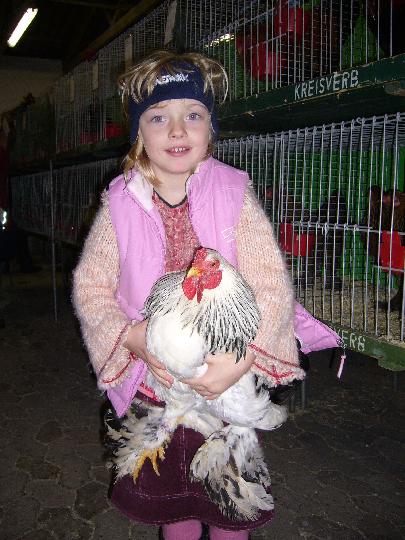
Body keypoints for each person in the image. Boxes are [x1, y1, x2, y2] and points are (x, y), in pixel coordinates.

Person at [72, 50, 305, 540]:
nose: (177, 131)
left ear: (210, 128)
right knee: (173, 506)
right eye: (159, 117)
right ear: (139, 131)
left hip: (225, 382)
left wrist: (244, 359)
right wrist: (130, 337)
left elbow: (271, 284)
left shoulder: (234, 193)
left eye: (192, 115)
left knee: (229, 501)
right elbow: (91, 286)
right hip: (155, 383)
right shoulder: (120, 202)